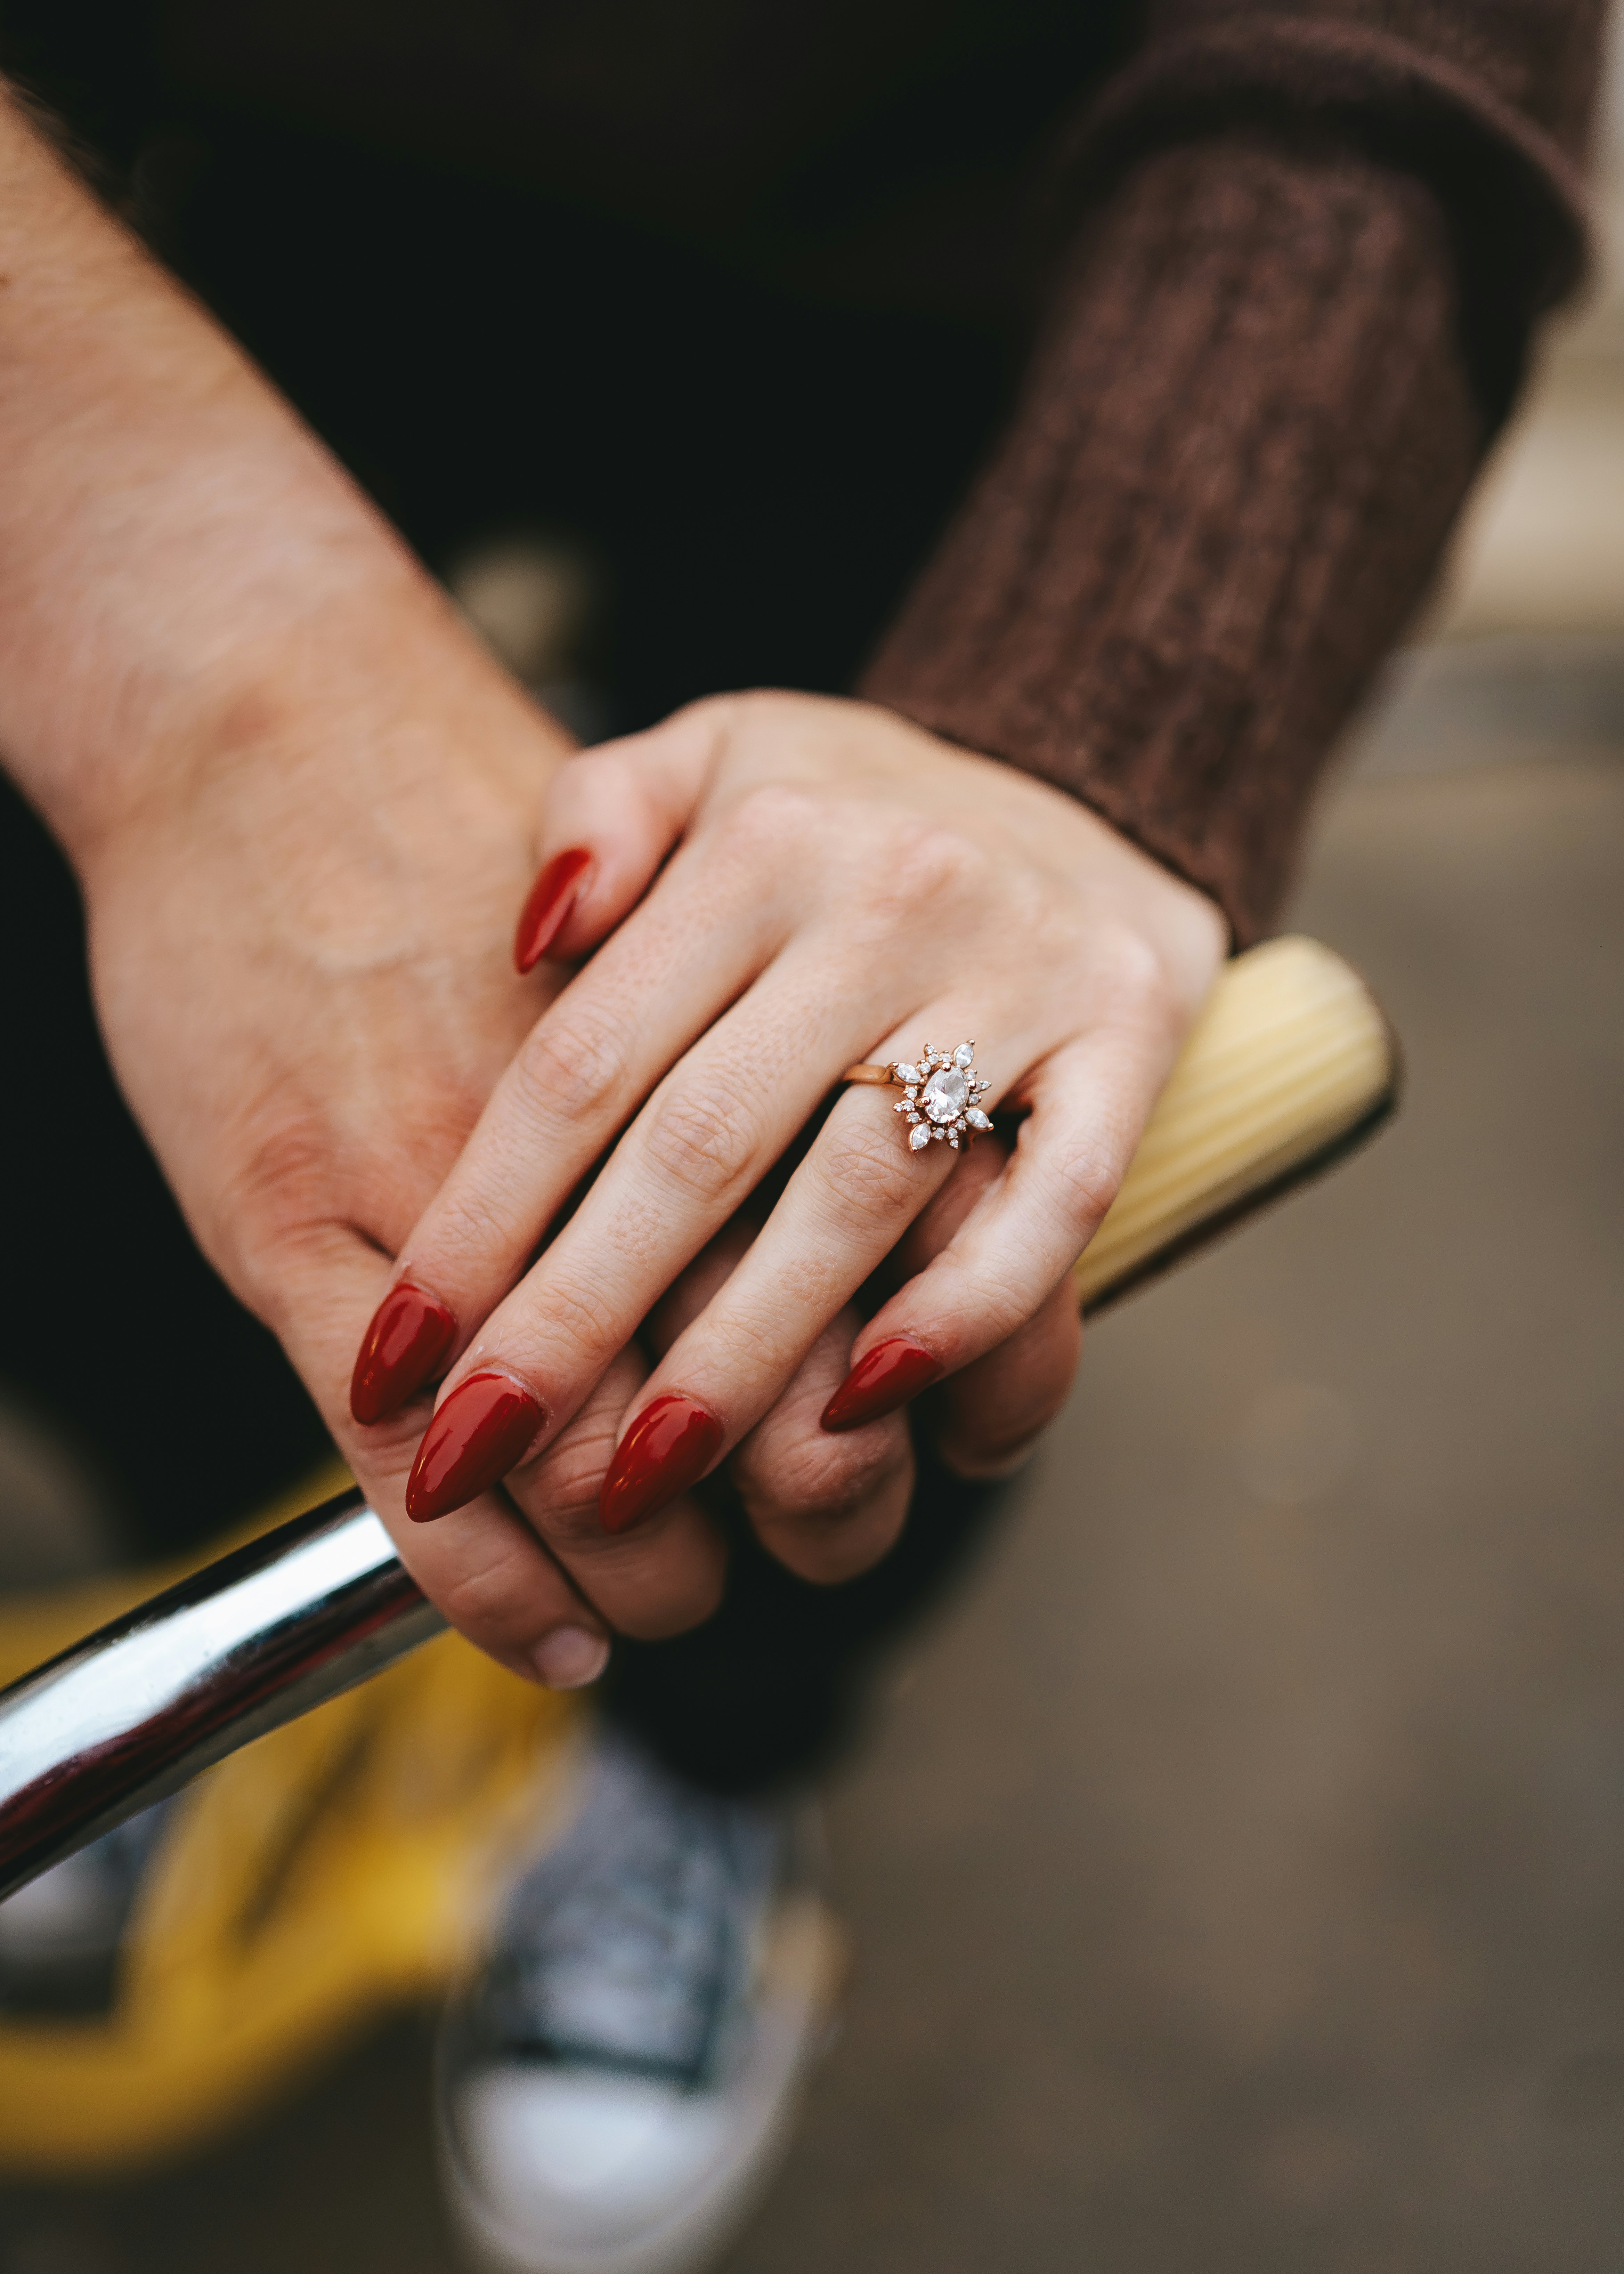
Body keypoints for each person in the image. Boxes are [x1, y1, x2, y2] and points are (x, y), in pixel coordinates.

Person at [0, 3, 1604, 2268]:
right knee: (137, 1127)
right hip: (145, 154)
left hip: (972, 199)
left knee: (871, 1249)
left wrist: (1086, 732)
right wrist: (199, 661)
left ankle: (706, 1766)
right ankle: (320, 1680)